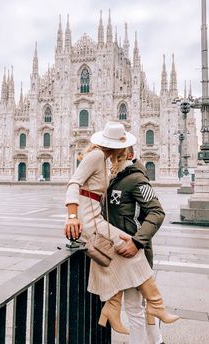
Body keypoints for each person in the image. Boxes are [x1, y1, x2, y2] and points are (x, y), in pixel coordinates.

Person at [64, 121, 179, 335]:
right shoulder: (98, 156)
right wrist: (72, 217)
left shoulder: (111, 164)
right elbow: (73, 183)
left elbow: (155, 211)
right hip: (90, 220)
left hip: (94, 217)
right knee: (133, 255)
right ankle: (154, 305)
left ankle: (113, 309)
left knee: (118, 259)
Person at [103, 145, 168, 343]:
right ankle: (157, 341)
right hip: (119, 252)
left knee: (133, 306)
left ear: (130, 155)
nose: (112, 160)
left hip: (133, 253)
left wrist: (137, 242)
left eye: (117, 155)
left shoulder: (137, 179)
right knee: (138, 304)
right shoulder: (116, 178)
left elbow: (157, 212)